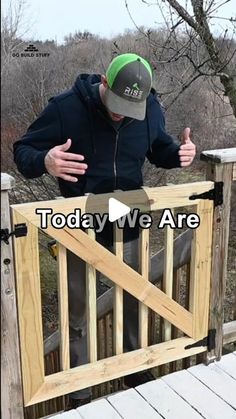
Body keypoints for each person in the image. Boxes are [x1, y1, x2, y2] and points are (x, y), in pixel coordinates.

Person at [13, 53, 196, 409]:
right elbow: (23, 151)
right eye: (116, 104)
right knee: (77, 311)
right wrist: (45, 160)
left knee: (135, 298)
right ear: (104, 83)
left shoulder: (151, 110)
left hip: (128, 218)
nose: (121, 113)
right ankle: (79, 390)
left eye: (130, 108)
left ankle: (134, 372)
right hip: (78, 225)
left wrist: (179, 154)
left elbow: (159, 149)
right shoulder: (67, 108)